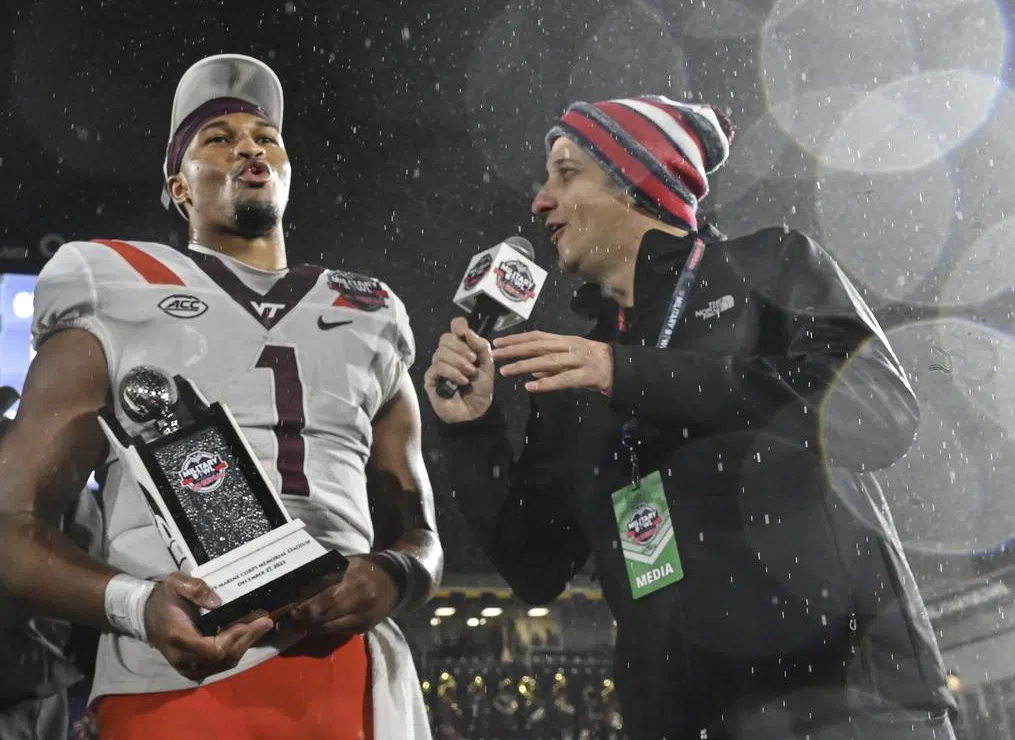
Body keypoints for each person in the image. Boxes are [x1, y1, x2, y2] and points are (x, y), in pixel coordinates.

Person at [424, 95, 957, 739]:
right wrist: (472, 429)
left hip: (844, 702)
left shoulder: (767, 265)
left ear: (640, 182)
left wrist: (633, 373)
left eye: (566, 174)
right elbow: (533, 566)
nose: (540, 201)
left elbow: (878, 411)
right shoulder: (572, 372)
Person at [0, 53, 441, 740]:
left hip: (350, 677)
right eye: (219, 137)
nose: (249, 146)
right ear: (179, 186)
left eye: (266, 138)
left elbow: (421, 537)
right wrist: (137, 605)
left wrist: (394, 575)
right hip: (171, 681)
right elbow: (11, 525)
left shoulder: (370, 311)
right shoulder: (110, 282)